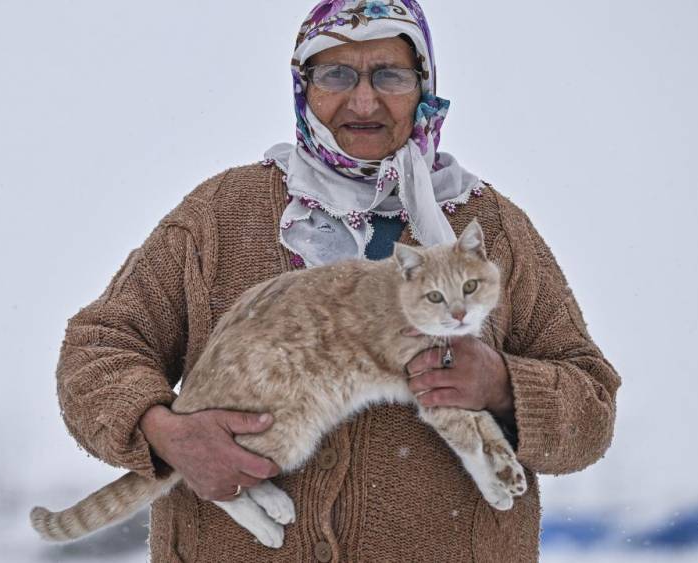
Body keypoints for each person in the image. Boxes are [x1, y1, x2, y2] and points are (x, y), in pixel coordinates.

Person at [52, 1, 621, 561]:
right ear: (305, 87)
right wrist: (162, 431)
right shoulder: (222, 213)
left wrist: (501, 385)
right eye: (337, 74)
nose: (364, 99)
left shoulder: (491, 226)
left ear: (425, 85)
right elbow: (100, 348)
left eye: (391, 74)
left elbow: (591, 406)